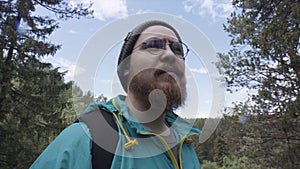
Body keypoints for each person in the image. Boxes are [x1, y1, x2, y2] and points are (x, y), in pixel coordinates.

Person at [30, 20, 201, 169]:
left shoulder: (186, 142)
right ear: (126, 68)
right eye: (154, 45)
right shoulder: (89, 137)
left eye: (177, 48)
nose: (170, 55)